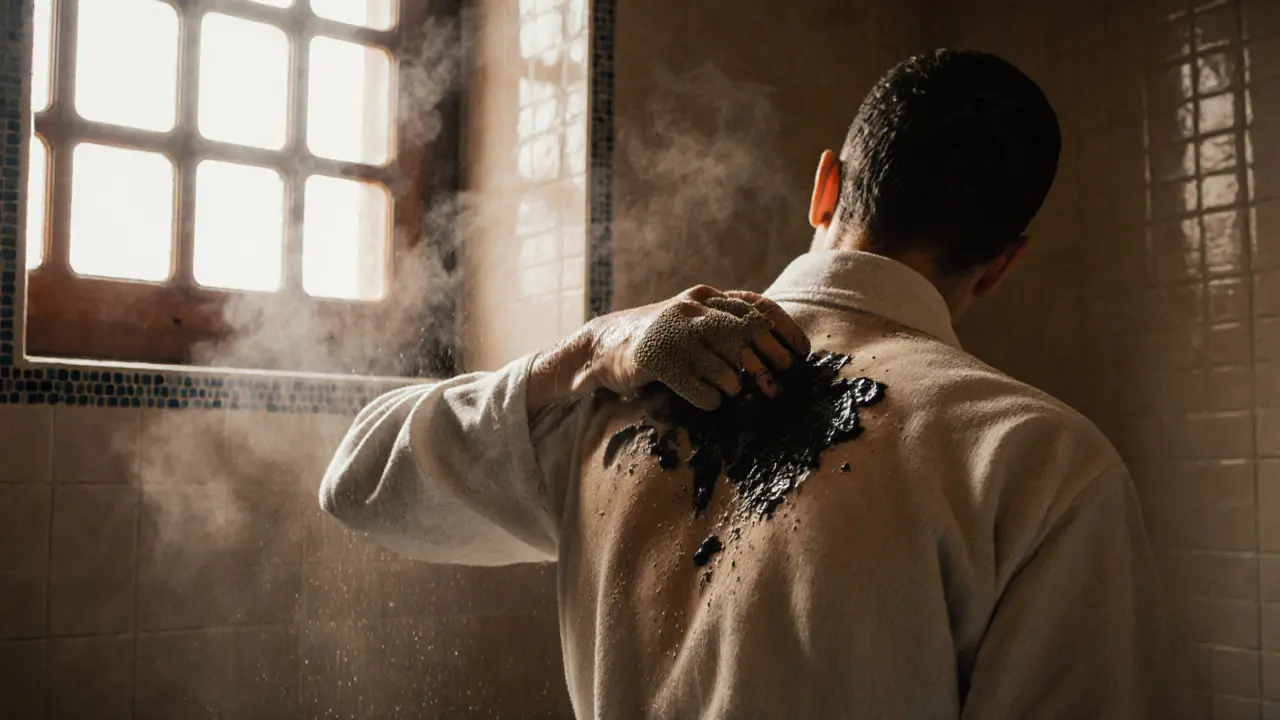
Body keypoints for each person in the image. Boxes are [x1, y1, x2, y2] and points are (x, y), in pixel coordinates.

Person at [320, 49, 1177, 718]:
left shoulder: (624, 393)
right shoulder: (1040, 461)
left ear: (826, 184)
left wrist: (588, 351)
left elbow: (360, 480)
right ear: (1001, 265)